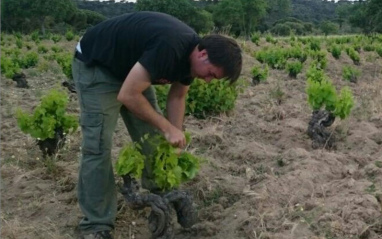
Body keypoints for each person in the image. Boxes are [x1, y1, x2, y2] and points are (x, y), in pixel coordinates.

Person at [71, 11, 242, 239]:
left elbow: (178, 97)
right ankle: (96, 225)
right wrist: (167, 128)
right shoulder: (170, 47)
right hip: (97, 65)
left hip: (130, 71)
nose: (209, 80)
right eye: (211, 74)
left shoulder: (190, 61)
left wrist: (175, 135)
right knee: (98, 146)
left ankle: (163, 193)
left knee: (154, 141)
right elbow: (128, 95)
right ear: (202, 54)